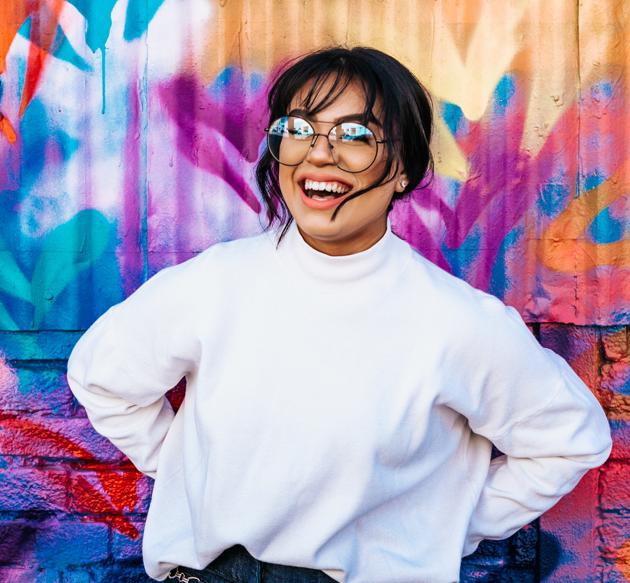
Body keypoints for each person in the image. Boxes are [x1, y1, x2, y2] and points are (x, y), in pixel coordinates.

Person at [67, 47, 612, 583]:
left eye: (355, 136)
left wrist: (439, 522)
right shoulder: (214, 284)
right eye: (298, 130)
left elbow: (568, 440)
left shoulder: (456, 321)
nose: (319, 155)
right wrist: (191, 475)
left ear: (403, 169)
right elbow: (103, 378)